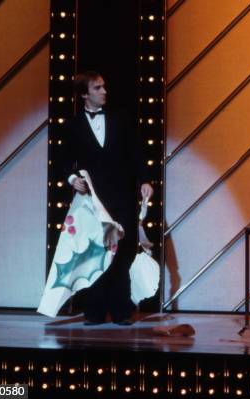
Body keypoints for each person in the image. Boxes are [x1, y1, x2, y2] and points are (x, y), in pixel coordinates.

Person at [64, 71, 153, 325]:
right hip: (92, 199)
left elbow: (137, 153)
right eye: (98, 88)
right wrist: (73, 180)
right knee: (95, 253)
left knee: (122, 253)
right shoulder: (73, 126)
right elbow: (63, 162)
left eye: (104, 87)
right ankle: (94, 311)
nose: (104, 92)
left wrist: (145, 180)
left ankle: (122, 311)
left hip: (122, 195)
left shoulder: (121, 119)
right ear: (84, 94)